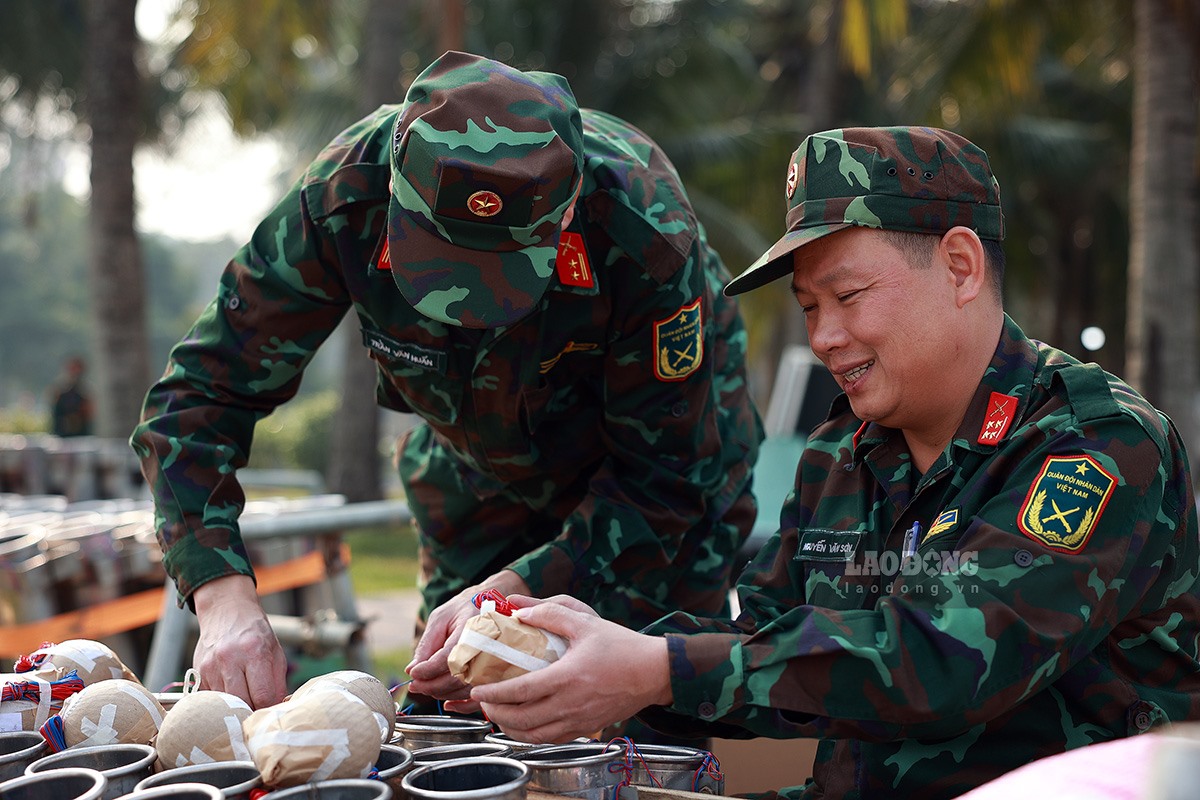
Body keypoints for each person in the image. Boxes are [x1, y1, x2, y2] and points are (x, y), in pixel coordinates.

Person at [469, 126, 1200, 798]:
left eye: (847, 295)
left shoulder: (1095, 442)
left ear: (960, 265)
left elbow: (947, 659)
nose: (825, 337)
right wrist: (572, 654)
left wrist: (654, 671)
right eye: (811, 306)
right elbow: (773, 647)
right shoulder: (842, 450)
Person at [129, 50, 763, 733]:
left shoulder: (645, 236)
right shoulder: (346, 194)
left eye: (498, 276)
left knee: (638, 726)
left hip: (653, 505)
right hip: (474, 481)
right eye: (440, 265)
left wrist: (517, 593)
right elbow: (194, 402)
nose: (465, 310)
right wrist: (223, 598)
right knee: (452, 721)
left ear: (568, 211)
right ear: (397, 191)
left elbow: (668, 480)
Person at [49, 355, 94, 437]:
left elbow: (89, 414)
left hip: (81, 435)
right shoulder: (59, 389)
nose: (75, 372)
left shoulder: (85, 391)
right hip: (62, 435)